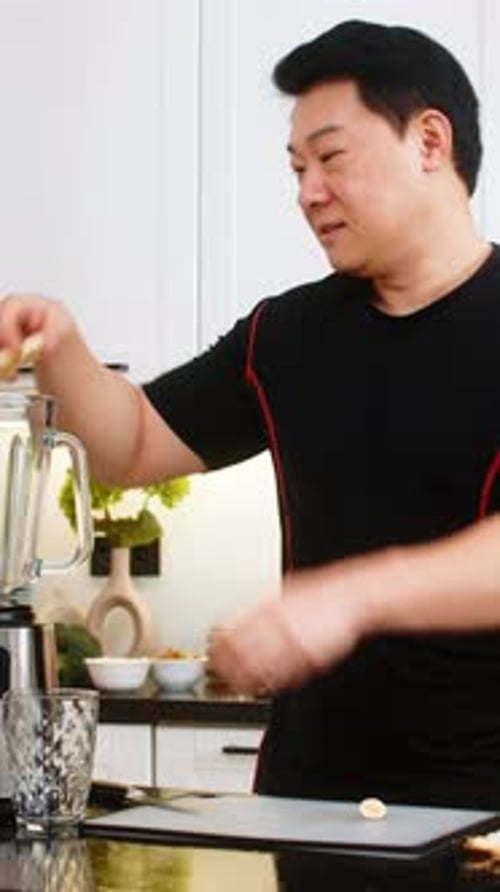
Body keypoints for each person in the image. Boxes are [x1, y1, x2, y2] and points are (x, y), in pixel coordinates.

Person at [1, 18, 500, 808]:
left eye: (331, 158)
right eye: (297, 167)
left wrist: (349, 597)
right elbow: (127, 447)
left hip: (483, 810)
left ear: (430, 142)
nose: (307, 192)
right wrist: (61, 346)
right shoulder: (289, 334)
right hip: (306, 803)